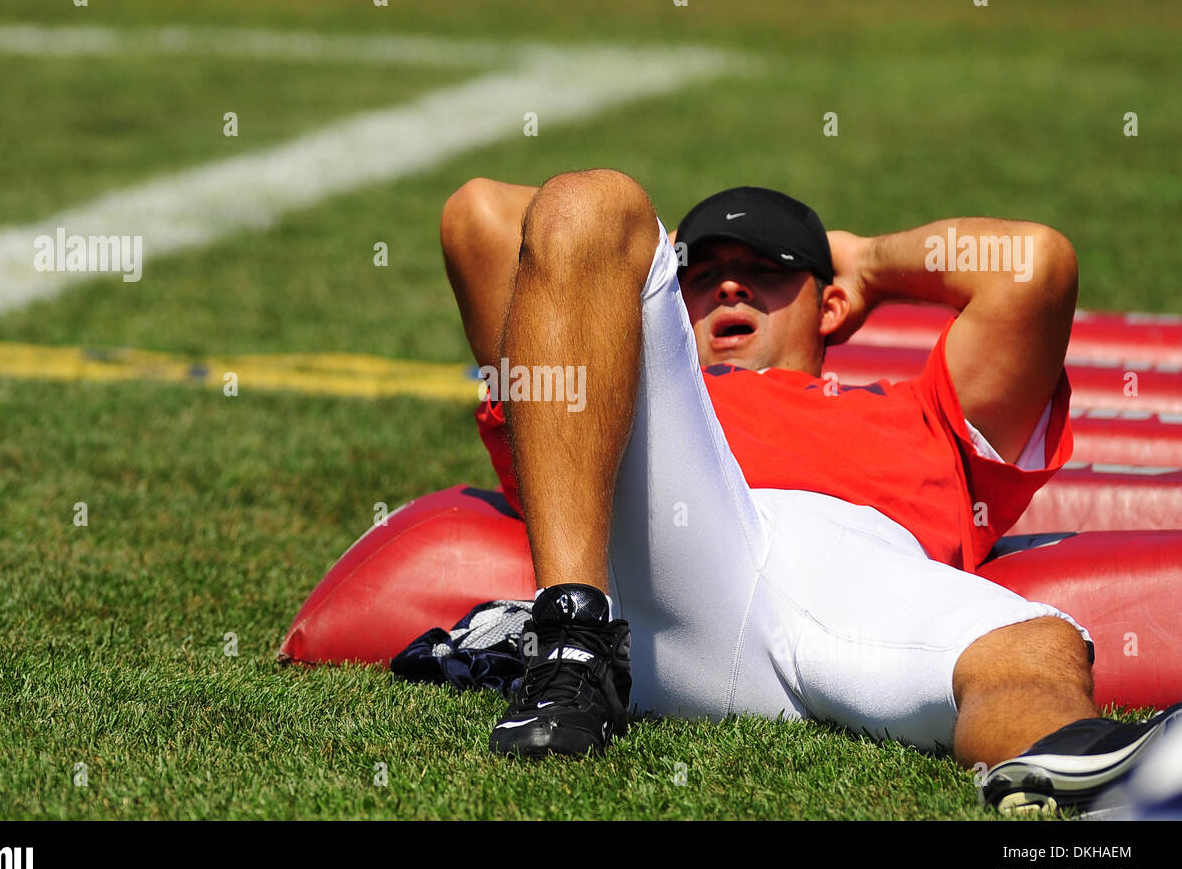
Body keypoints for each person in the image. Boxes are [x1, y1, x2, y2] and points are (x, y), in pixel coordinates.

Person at [438, 170, 1180, 814]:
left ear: (829, 307)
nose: (730, 283)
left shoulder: (919, 409)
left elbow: (1034, 267)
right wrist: (618, 264)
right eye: (700, 274)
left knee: (1033, 646)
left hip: (866, 586)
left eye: (768, 268)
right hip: (677, 568)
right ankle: (573, 648)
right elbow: (481, 215)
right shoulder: (613, 401)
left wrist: (865, 262)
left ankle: (1080, 773)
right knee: (591, 202)